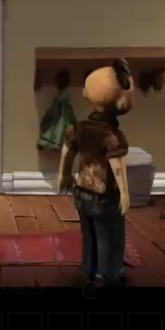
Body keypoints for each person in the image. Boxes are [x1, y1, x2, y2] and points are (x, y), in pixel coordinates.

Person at [57, 59, 135, 286]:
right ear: (121, 101)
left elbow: (67, 152)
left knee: (88, 232)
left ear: (86, 94)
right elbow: (117, 165)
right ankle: (107, 273)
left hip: (82, 191)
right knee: (110, 234)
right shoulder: (112, 136)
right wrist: (124, 192)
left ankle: (88, 268)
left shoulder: (78, 128)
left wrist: (64, 174)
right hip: (105, 196)